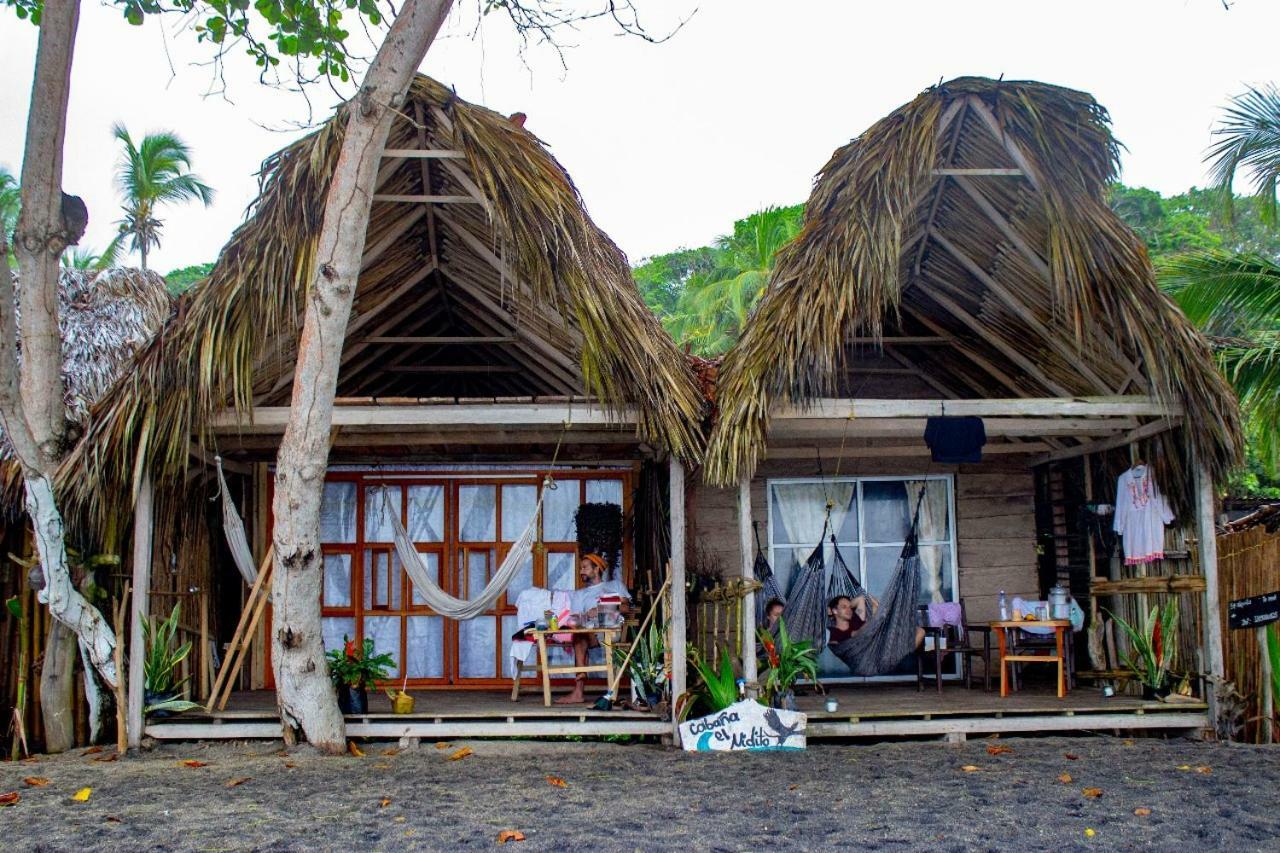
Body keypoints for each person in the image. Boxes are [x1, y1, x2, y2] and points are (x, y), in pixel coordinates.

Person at [554, 552, 632, 704]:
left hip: (610, 630)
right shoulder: (579, 594)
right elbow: (576, 617)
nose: (581, 571)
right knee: (579, 635)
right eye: (581, 568)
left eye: (585, 568)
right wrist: (577, 620)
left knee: (581, 635)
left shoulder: (614, 585)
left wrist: (600, 609)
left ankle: (579, 682)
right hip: (590, 631)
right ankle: (579, 688)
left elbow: (625, 608)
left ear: (596, 570)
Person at [827, 594, 927, 649]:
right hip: (874, 645)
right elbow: (855, 636)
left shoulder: (856, 618)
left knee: (920, 631)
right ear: (834, 611)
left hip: (883, 634)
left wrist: (846, 607)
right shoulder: (833, 632)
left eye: (849, 607)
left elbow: (860, 599)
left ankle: (902, 651)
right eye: (844, 607)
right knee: (877, 609)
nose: (849, 609)